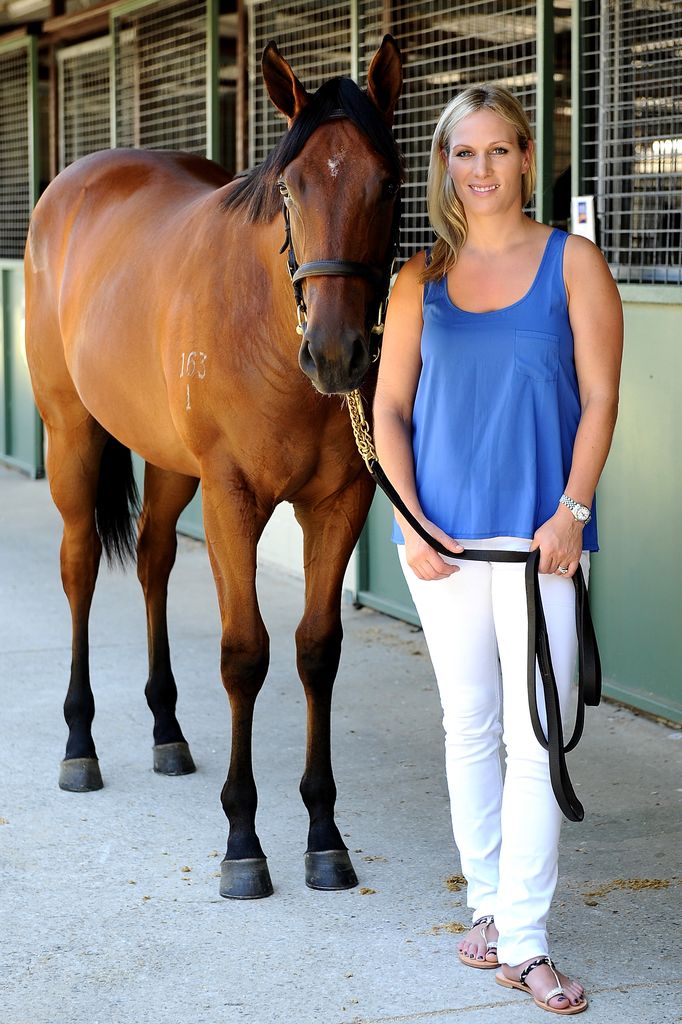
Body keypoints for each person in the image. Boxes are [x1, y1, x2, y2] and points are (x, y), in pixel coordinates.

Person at [373, 85, 623, 1015]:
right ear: (447, 166)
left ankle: (524, 940)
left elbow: (599, 400)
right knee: (469, 727)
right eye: (462, 154)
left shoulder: (574, 264)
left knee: (535, 738)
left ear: (526, 154)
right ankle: (489, 904)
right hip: (438, 544)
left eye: (497, 151)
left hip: (537, 546)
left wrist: (572, 509)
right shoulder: (416, 279)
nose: (481, 171)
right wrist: (407, 517)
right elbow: (389, 411)